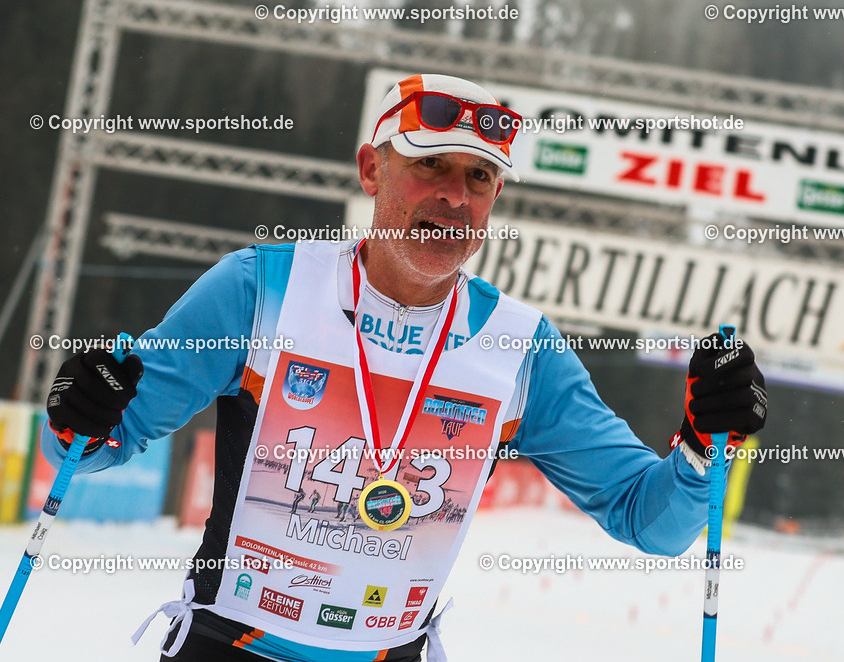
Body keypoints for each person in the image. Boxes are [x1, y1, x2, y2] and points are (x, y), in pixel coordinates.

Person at [42, 73, 767, 661]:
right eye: (430, 166)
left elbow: (653, 521)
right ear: (370, 167)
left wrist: (703, 447)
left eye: (478, 177)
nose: (454, 196)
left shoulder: (522, 349)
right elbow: (87, 451)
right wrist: (79, 413)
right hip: (230, 646)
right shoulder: (260, 289)